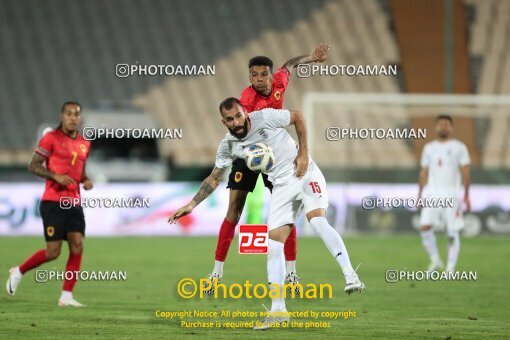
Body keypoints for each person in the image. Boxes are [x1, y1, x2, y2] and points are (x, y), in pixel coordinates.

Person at [169, 98, 365, 330]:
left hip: (305, 173)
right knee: (273, 247)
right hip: (281, 186)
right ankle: (278, 312)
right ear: (224, 122)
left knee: (318, 222)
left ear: (246, 113)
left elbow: (298, 117)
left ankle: (351, 276)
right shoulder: (229, 145)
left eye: (239, 115)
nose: (236, 122)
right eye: (230, 119)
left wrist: (303, 153)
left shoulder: (266, 117)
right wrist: (192, 204)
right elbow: (215, 177)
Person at [206, 44, 330, 292]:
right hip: (250, 152)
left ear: (271, 76)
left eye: (264, 74)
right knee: (234, 211)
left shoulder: (280, 82)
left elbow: (289, 64)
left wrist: (310, 57)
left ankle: (292, 275)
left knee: (287, 213)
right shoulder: (246, 101)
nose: (260, 79)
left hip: (275, 156)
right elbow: (240, 129)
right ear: (249, 77)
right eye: (254, 75)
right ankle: (216, 273)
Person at [6, 102, 93, 307]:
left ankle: (66, 296)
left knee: (78, 245)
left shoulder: (84, 143)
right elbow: (33, 165)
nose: (73, 117)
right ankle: (19, 271)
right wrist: (56, 176)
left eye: (76, 114)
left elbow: (80, 170)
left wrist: (85, 180)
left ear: (80, 118)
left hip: (74, 202)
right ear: (62, 116)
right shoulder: (51, 138)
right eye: (69, 114)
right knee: (53, 252)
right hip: (53, 202)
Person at [418, 115, 471, 273]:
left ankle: (450, 267)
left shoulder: (459, 147)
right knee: (425, 227)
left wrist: (467, 195)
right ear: (435, 127)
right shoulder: (429, 148)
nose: (443, 127)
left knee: (451, 231)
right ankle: (435, 261)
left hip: (451, 195)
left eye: (446, 124)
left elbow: (466, 172)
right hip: (432, 195)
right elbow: (424, 173)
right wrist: (419, 195)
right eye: (440, 124)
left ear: (451, 127)